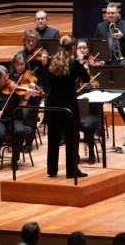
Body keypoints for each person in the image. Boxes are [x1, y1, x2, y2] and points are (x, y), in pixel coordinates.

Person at [46, 36, 91, 178]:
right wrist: (81, 61)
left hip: (52, 103)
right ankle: (71, 171)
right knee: (72, 137)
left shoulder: (52, 61)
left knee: (53, 137)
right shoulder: (74, 63)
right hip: (68, 105)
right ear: (72, 48)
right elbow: (86, 79)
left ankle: (52, 170)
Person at [0, 65, 31, 171]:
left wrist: (27, 97)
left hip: (14, 118)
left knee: (19, 131)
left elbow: (21, 106)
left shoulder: (13, 88)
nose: (8, 78)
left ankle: (15, 160)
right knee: (0, 134)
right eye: (4, 76)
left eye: (7, 75)